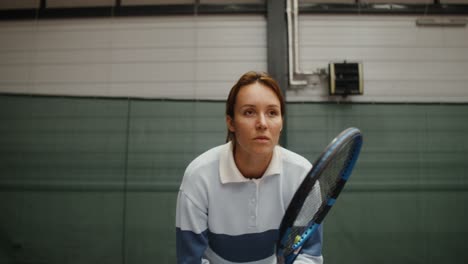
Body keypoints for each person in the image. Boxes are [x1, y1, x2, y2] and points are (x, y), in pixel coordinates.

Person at [176, 71, 323, 264]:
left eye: (272, 113)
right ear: (231, 122)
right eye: (249, 112)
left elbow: (309, 255)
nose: (262, 123)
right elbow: (191, 260)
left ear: (281, 123)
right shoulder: (198, 176)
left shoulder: (302, 175)